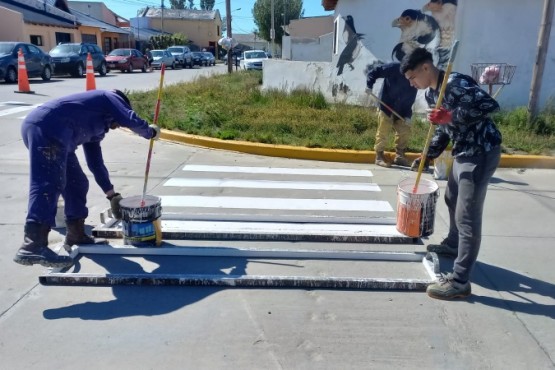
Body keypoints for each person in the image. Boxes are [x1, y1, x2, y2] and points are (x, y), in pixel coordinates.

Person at [14, 90, 161, 268]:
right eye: (117, 122)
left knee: (77, 183)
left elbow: (95, 163)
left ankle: (76, 234)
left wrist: (112, 195)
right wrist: (149, 132)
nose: (116, 127)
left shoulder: (98, 127)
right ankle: (33, 244)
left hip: (58, 137)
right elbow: (129, 118)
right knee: (49, 183)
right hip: (46, 128)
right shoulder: (109, 97)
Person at [400, 48, 502, 300]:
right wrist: (429, 155)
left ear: (426, 68)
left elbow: (489, 104)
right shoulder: (432, 92)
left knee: (467, 217)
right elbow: (443, 129)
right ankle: (454, 245)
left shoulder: (454, 84)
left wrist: (451, 115)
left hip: (480, 151)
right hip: (462, 151)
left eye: (413, 77)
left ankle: (459, 282)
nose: (412, 84)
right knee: (451, 199)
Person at [366, 62, 417, 167]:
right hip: (386, 105)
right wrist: (369, 85)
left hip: (402, 109)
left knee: (404, 131)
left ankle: (400, 156)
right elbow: (374, 72)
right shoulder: (394, 68)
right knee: (383, 130)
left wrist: (408, 115)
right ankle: (379, 156)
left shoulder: (415, 78)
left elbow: (411, 98)